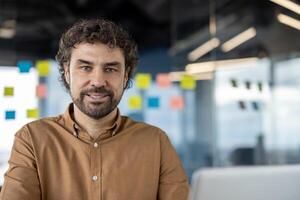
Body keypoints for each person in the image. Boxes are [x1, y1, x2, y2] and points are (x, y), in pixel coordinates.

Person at [0, 19, 189, 200]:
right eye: (85, 67)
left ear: (125, 76)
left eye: (110, 69)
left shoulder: (156, 143)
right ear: (66, 73)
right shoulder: (32, 140)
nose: (98, 81)